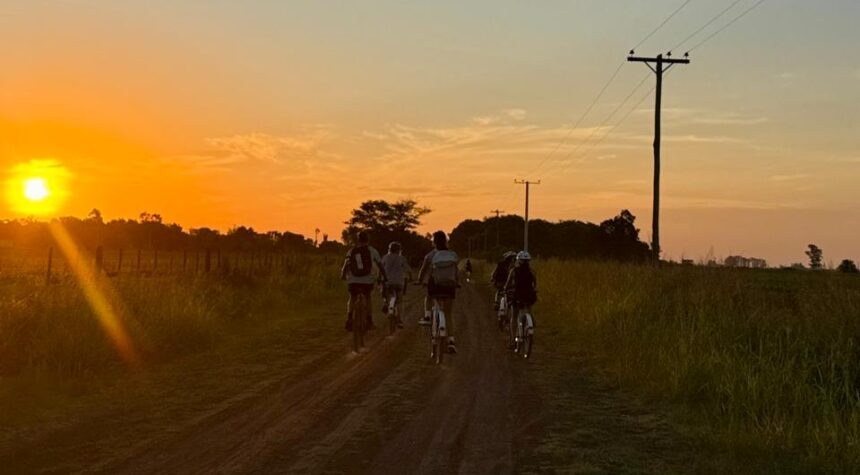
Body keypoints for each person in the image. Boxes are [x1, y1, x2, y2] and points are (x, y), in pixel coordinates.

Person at [416, 231, 459, 353]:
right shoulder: (453, 255)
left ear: (434, 242)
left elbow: (423, 270)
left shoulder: (430, 255)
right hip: (449, 287)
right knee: (448, 313)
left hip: (435, 287)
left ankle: (427, 316)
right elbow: (456, 271)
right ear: (446, 241)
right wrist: (457, 282)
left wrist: (419, 280)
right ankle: (451, 340)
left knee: (429, 297)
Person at [341, 231, 387, 332]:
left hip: (353, 280)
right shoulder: (372, 251)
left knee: (352, 297)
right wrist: (385, 277)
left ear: (358, 240)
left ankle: (349, 319)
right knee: (368, 297)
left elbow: (346, 264)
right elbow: (380, 265)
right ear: (368, 240)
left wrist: (343, 275)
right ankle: (369, 321)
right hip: (367, 280)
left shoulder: (351, 251)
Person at [504, 251, 538, 349]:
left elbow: (507, 284)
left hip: (518, 295)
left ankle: (512, 340)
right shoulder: (531, 271)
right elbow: (535, 283)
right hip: (529, 295)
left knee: (514, 317)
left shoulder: (514, 271)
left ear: (518, 261)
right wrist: (534, 289)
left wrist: (506, 289)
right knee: (528, 307)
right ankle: (531, 320)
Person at [381, 241, 411, 328]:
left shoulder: (385, 257)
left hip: (387, 282)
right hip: (399, 282)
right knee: (400, 301)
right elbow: (408, 270)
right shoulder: (402, 258)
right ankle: (399, 319)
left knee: (384, 291)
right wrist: (411, 277)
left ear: (389, 249)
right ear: (399, 250)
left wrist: (379, 277)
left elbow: (381, 267)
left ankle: (386, 303)